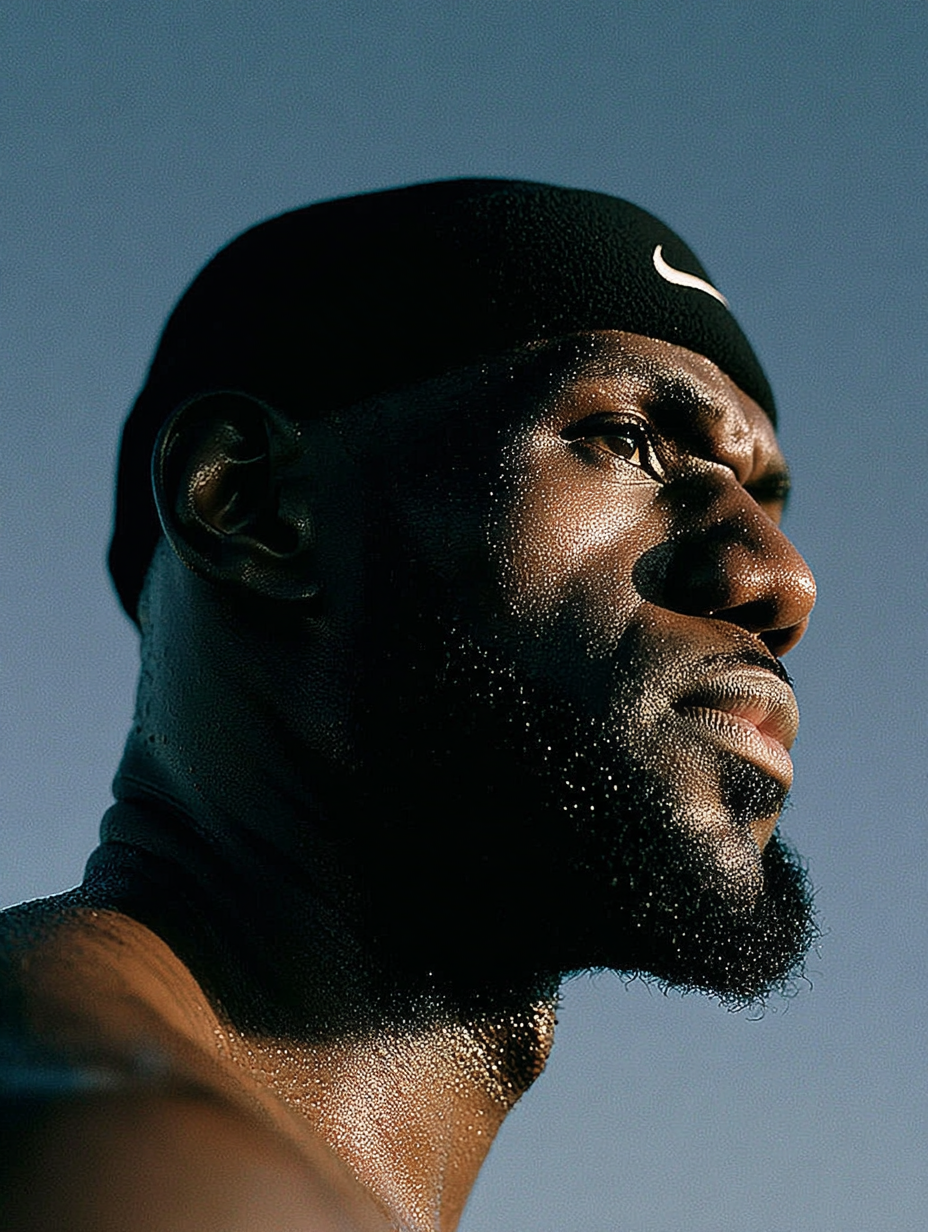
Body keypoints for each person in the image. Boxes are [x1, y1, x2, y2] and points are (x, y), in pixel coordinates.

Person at [0, 179, 816, 1231]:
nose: (779, 580)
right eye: (624, 438)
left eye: (764, 495)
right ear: (251, 506)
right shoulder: (137, 1167)